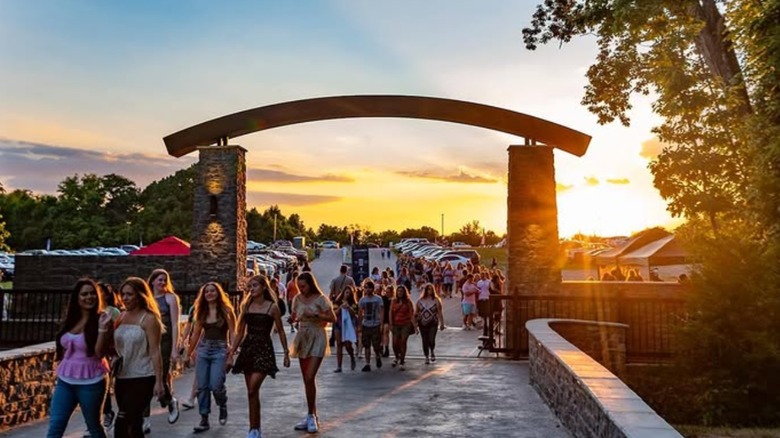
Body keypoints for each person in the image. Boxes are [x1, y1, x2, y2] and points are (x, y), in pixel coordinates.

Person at [47, 279, 110, 438]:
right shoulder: (71, 319)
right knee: (56, 424)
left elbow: (99, 353)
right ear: (77, 297)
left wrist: (103, 330)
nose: (89, 297)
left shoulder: (101, 319)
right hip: (65, 380)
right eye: (84, 294)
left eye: (92, 294)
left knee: (94, 426)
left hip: (91, 381)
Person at [111, 277, 165, 438]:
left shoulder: (149, 319)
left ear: (140, 295)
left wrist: (159, 381)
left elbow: (155, 351)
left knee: (127, 419)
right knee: (129, 421)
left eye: (130, 294)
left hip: (143, 376)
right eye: (123, 294)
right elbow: (116, 345)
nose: (125, 298)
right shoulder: (121, 317)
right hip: (122, 376)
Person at [186, 282, 237, 433]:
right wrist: (188, 354)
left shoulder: (227, 310)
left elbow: (233, 333)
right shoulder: (201, 311)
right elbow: (195, 334)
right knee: (202, 386)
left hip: (220, 350)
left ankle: (222, 404)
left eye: (212, 291)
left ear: (218, 293)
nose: (209, 293)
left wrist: (231, 354)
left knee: (216, 385)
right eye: (206, 291)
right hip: (204, 349)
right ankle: (204, 418)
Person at [289, 272, 336, 433]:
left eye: (303, 286)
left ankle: (312, 416)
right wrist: (293, 319)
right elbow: (295, 315)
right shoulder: (296, 299)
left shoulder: (320, 299)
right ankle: (311, 413)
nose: (301, 289)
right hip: (303, 335)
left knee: (310, 375)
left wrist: (316, 314)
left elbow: (332, 318)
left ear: (310, 284)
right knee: (306, 379)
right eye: (299, 286)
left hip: (317, 335)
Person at [143, 269, 181, 432]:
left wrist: (174, 348)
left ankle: (170, 401)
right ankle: (145, 418)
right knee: (145, 379)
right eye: (159, 280)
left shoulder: (170, 298)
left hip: (164, 342)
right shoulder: (146, 300)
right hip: (147, 342)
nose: (162, 282)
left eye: (165, 280)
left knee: (160, 376)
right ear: (152, 281)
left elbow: (175, 324)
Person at [97, 282, 123, 433]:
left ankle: (107, 412)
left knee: (103, 385)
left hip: (108, 352)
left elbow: (118, 334)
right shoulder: (93, 310)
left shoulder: (113, 311)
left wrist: (115, 354)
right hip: (94, 352)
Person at [389, 285, 417, 371]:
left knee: (403, 341)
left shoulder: (408, 302)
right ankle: (397, 357)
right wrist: (391, 324)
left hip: (406, 324)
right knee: (395, 342)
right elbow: (390, 313)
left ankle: (402, 361)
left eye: (401, 291)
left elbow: (411, 314)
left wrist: (415, 326)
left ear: (404, 292)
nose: (400, 292)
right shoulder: (394, 301)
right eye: (398, 291)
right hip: (396, 324)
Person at [358, 279, 384, 372]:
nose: (367, 290)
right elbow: (360, 313)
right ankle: (367, 363)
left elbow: (381, 311)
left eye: (369, 288)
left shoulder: (378, 299)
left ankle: (377, 356)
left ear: (373, 289)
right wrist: (359, 325)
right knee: (367, 345)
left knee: (376, 345)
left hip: (375, 324)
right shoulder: (362, 300)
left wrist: (381, 323)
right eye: (366, 288)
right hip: (366, 324)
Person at [416, 283, 445, 364]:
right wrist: (415, 324)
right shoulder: (420, 301)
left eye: (431, 289)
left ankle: (432, 350)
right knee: (424, 340)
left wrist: (442, 323)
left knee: (431, 339)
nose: (430, 291)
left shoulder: (436, 300)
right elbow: (416, 312)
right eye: (428, 289)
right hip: (422, 323)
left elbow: (439, 312)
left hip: (433, 322)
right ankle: (426, 356)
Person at [331, 285, 358, 372]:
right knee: (339, 344)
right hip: (338, 325)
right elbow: (334, 313)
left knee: (347, 345)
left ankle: (351, 355)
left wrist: (349, 308)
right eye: (346, 293)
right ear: (343, 293)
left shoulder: (353, 303)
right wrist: (340, 307)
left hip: (348, 326)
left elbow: (354, 314)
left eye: (349, 293)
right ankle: (339, 366)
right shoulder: (337, 302)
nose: (347, 295)